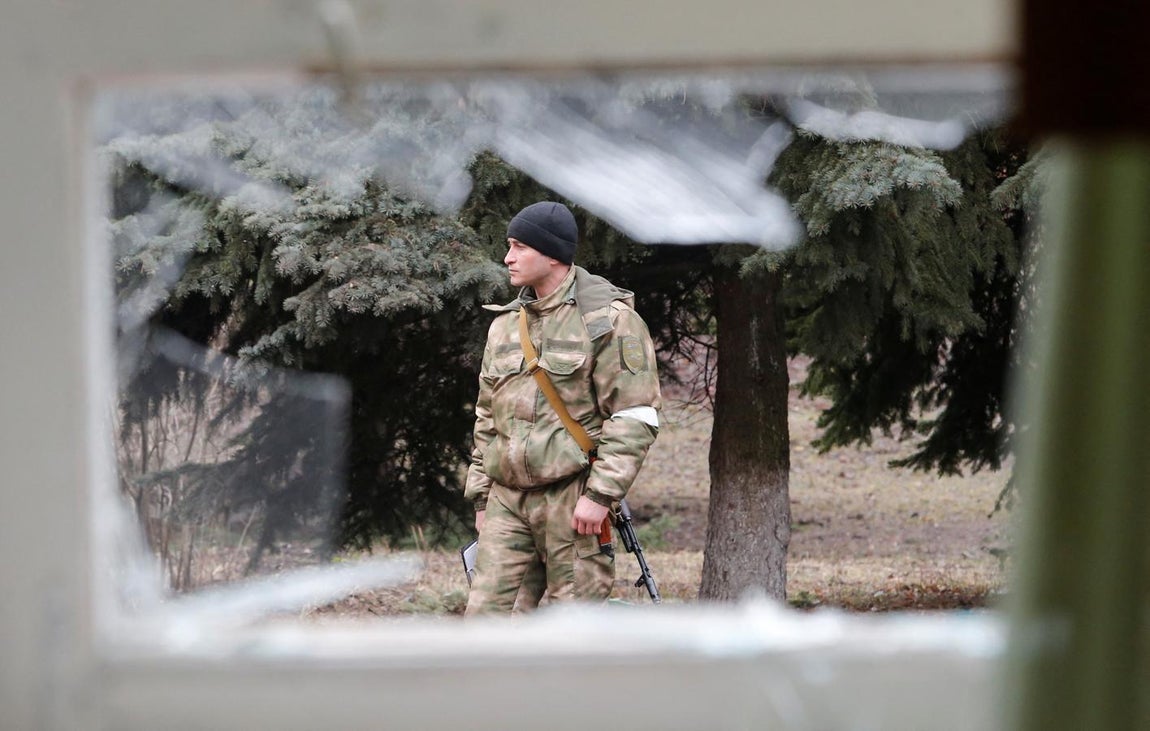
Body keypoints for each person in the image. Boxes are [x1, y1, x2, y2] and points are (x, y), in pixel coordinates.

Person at [464, 201, 661, 615]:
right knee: (485, 628)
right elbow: (487, 417)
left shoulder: (607, 320)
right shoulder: (505, 325)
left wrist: (600, 495)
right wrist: (482, 499)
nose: (508, 257)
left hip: (572, 500)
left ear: (551, 253)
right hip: (507, 501)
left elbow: (634, 415)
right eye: (508, 246)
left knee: (570, 629)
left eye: (519, 246)